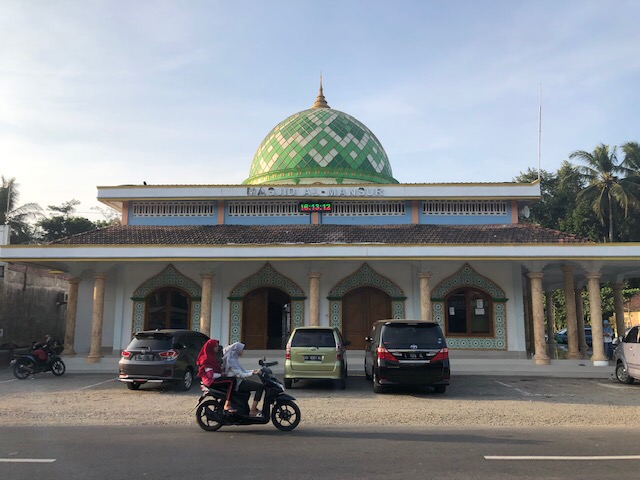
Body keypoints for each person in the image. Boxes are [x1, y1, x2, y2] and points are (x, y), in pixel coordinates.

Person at [223, 342, 264, 417]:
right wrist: (252, 373)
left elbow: (243, 370)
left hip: (239, 381)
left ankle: (247, 409)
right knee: (260, 387)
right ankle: (253, 410)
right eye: (242, 349)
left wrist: (254, 371)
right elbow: (240, 374)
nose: (243, 351)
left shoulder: (234, 359)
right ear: (237, 350)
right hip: (237, 383)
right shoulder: (231, 361)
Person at [196, 338, 234, 412]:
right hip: (210, 381)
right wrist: (222, 375)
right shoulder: (206, 358)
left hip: (212, 379)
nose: (217, 348)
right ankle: (227, 404)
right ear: (211, 347)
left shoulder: (212, 356)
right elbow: (210, 375)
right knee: (232, 381)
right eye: (215, 346)